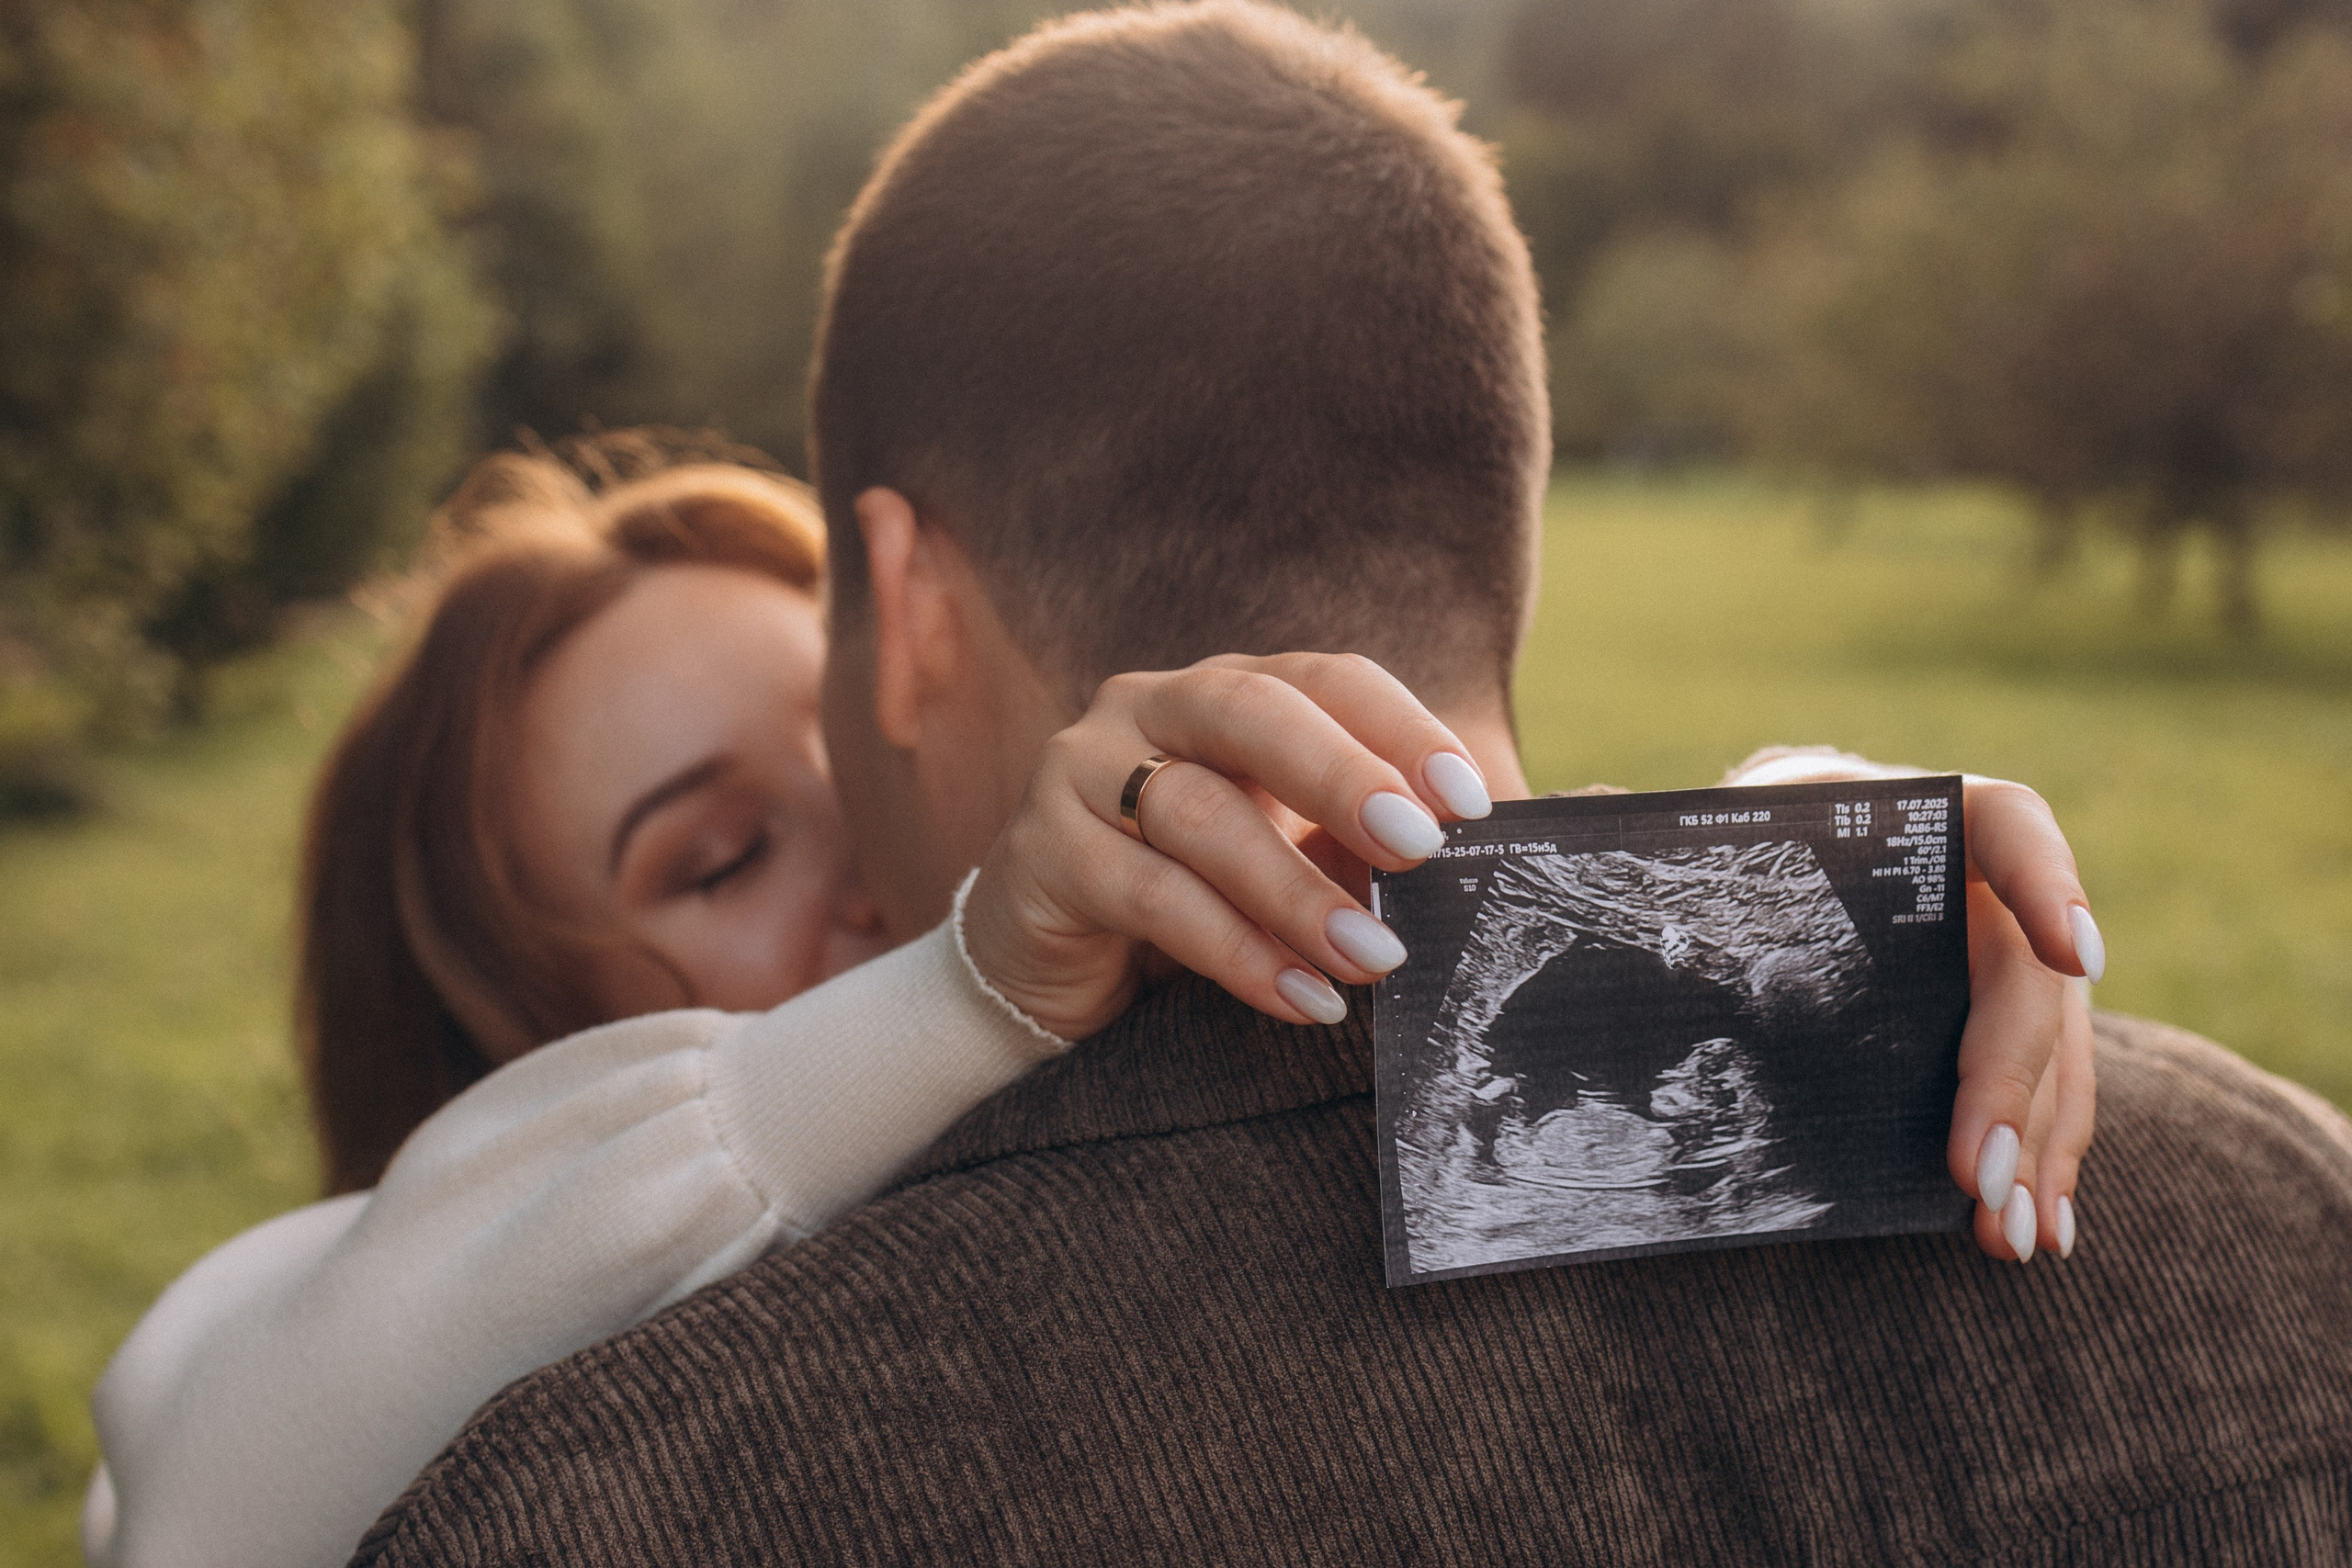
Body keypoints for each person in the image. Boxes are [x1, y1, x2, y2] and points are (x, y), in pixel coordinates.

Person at [357, 5, 2349, 1562]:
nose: (849, 899)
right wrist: (1795, 877)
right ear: (1503, 509)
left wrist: (1791, 847)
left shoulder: (626, 1491)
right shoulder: (2280, 1204)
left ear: (904, 591)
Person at [81, 432, 1523, 1566]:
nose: (862, 851)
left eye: (859, 745)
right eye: (721, 859)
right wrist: (962, 997)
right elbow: (200, 1503)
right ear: (519, 1047)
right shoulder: (376, 1354)